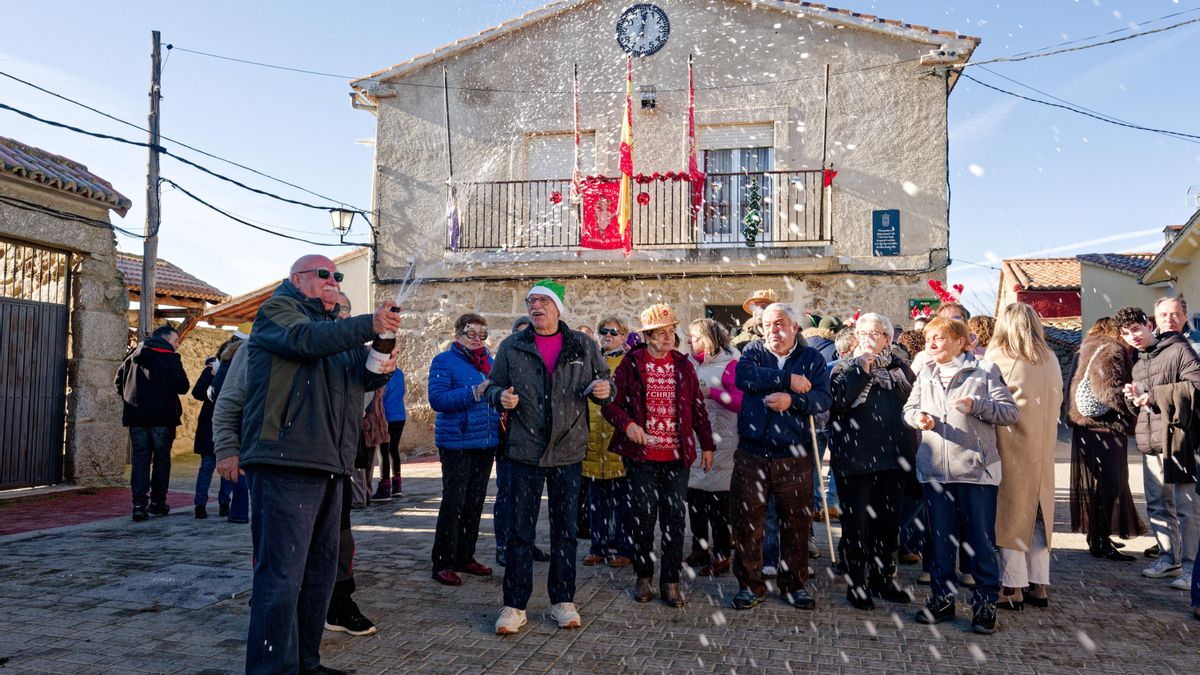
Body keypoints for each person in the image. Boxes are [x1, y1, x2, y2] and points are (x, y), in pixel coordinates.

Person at [215, 254, 400, 673]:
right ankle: (271, 669)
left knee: (319, 575)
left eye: (337, 276)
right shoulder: (278, 312)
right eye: (324, 275)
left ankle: (305, 662)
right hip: (285, 460)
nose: (333, 280)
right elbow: (303, 341)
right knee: (281, 577)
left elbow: (363, 377)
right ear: (297, 279)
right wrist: (369, 324)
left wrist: (382, 355)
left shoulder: (334, 332)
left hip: (329, 464)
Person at [486, 279, 614, 635]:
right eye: (531, 301)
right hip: (523, 451)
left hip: (568, 449)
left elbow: (605, 382)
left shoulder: (582, 344)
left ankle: (562, 600)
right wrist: (500, 398)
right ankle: (514, 605)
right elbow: (493, 386)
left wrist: (605, 390)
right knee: (519, 531)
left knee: (565, 531)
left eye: (543, 301)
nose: (536, 307)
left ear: (559, 307)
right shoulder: (512, 346)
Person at [904, 316, 1018, 635]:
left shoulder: (984, 371)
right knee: (940, 540)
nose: (931, 344)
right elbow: (908, 409)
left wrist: (977, 405)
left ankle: (985, 603)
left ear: (960, 341)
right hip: (935, 471)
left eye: (938, 338)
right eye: (928, 339)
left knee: (980, 541)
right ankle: (942, 599)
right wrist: (917, 418)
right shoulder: (925, 372)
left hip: (976, 471)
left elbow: (1010, 411)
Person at [604, 305, 716, 607]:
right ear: (648, 337)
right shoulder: (631, 364)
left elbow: (697, 409)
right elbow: (611, 405)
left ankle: (670, 581)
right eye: (662, 333)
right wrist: (627, 424)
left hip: (676, 457)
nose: (669, 337)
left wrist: (707, 445)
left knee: (675, 520)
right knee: (643, 517)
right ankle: (643, 576)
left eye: (671, 331)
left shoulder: (682, 364)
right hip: (642, 457)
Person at [729, 303, 831, 611]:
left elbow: (823, 398)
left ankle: (794, 585)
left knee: (795, 524)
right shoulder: (752, 353)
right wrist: (786, 381)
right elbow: (744, 379)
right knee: (748, 523)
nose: (774, 329)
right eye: (768, 324)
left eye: (780, 323)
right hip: (752, 453)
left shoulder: (811, 358)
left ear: (795, 328)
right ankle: (750, 585)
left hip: (794, 455)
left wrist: (793, 401)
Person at [829, 312, 915, 610]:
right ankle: (857, 584)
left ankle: (883, 579)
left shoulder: (900, 370)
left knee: (888, 526)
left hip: (893, 459)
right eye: (862, 333)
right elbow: (838, 404)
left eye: (875, 333)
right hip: (856, 460)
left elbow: (915, 400)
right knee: (857, 526)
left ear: (888, 340)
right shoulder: (843, 367)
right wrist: (860, 371)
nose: (867, 338)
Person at [986, 303, 1063, 611]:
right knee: (1039, 516)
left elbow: (986, 402)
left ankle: (1011, 586)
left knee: (1010, 516)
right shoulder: (1051, 358)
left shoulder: (1000, 358)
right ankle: (1039, 583)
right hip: (1043, 448)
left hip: (1011, 446)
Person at [1118, 303, 1200, 589]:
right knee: (1157, 504)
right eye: (1127, 333)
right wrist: (1133, 397)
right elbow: (1140, 405)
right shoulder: (1138, 361)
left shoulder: (1180, 350)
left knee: (1187, 508)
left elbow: (1197, 388)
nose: (1134, 336)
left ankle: (1192, 570)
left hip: (1180, 441)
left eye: (1137, 329)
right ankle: (1169, 559)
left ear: (1149, 326)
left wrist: (1153, 396)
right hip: (1151, 442)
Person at [429, 313, 501, 586]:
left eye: (482, 335)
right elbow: (437, 399)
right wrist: (474, 392)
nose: (477, 340)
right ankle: (443, 561)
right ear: (458, 334)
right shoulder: (444, 361)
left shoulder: (489, 363)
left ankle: (465, 556)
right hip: (457, 442)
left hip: (485, 442)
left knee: (475, 502)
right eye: (471, 334)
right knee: (454, 502)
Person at [1067, 317, 1142, 561]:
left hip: (1085, 426)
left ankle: (1097, 535)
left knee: (1104, 484)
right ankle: (1099, 539)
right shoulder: (1112, 350)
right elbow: (1110, 389)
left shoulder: (1085, 349)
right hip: (1106, 427)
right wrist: (1133, 408)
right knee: (1113, 484)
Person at [684, 318, 742, 578]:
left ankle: (721, 555)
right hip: (695, 437)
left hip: (722, 438)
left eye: (694, 337)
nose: (689, 341)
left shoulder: (730, 364)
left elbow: (739, 401)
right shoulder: (690, 362)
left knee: (718, 500)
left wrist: (713, 393)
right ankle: (699, 547)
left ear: (708, 339)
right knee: (694, 495)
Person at [116, 324, 190, 522]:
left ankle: (138, 504)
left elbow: (118, 381)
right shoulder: (170, 358)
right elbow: (182, 387)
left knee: (140, 460)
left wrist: (132, 401)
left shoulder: (132, 356)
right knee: (161, 460)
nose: (177, 345)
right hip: (163, 418)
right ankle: (157, 502)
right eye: (175, 341)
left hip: (137, 417)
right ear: (165, 340)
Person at [583, 316, 633, 568]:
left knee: (623, 500)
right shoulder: (592, 361)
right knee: (596, 501)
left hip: (618, 436)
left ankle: (624, 547)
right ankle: (598, 546)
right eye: (604, 332)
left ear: (624, 336)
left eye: (615, 332)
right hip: (593, 436)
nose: (609, 336)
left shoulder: (630, 362)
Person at [207, 324, 252, 523]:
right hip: (240, 421)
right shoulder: (241, 358)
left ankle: (233, 508)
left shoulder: (224, 362)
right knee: (239, 470)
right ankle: (238, 511)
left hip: (234, 421)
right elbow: (227, 399)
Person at [375, 369, 407, 500]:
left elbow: (381, 395)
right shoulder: (399, 373)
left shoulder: (382, 374)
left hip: (387, 415)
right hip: (400, 414)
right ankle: (397, 485)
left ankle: (385, 487)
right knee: (394, 449)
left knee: (383, 451)